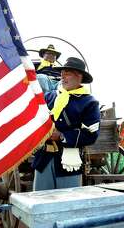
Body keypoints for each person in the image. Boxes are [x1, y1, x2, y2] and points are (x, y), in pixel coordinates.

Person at [32, 57, 100, 191]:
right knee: (40, 202)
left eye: (67, 73)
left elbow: (91, 135)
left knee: (67, 205)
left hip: (68, 163)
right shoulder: (49, 97)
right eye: (62, 73)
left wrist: (61, 136)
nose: (62, 77)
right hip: (43, 160)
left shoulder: (89, 102)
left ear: (79, 76)